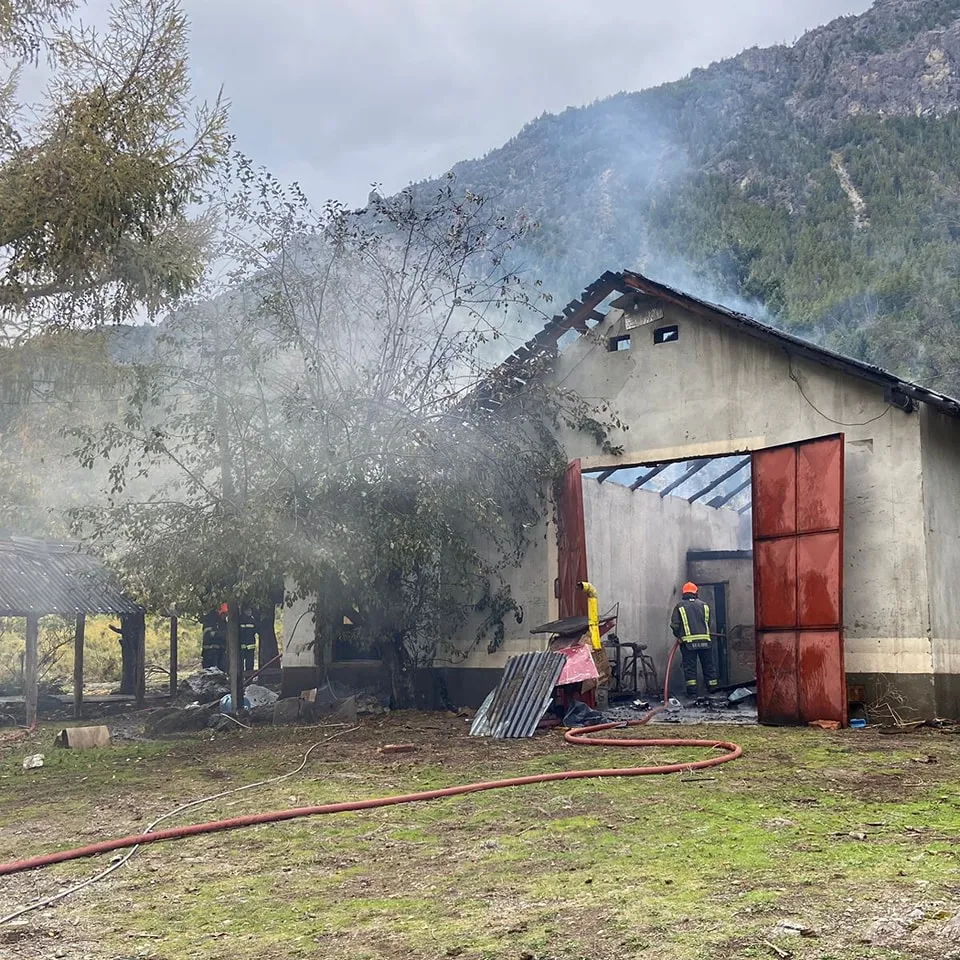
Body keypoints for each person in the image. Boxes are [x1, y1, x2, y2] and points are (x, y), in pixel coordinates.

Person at [670, 581, 718, 700]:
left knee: (690, 668)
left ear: (684, 593)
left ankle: (692, 693)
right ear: (696, 592)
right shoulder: (704, 605)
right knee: (709, 666)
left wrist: (679, 636)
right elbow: (708, 622)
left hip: (688, 643)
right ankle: (713, 690)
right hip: (705, 642)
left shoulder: (679, 606)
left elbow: (675, 625)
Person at [239, 608, 258, 674]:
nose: (250, 612)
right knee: (241, 665)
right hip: (242, 647)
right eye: (248, 610)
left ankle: (248, 679)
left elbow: (256, 630)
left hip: (249, 646)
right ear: (244, 611)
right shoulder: (240, 620)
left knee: (249, 664)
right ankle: (242, 679)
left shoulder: (252, 620)